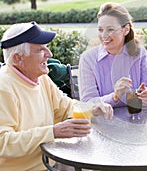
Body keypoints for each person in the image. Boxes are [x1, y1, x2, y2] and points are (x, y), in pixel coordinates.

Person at [0, 22, 113, 171]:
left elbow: (66, 106)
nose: (49, 54)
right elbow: (3, 143)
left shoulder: (41, 78)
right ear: (18, 59)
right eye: (40, 49)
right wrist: (53, 132)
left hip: (50, 162)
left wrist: (92, 108)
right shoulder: (4, 87)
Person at [79, 2, 147, 108]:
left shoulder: (139, 53)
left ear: (126, 29)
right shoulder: (88, 59)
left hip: (138, 120)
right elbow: (87, 103)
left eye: (110, 29)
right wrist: (114, 97)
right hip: (103, 122)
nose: (104, 35)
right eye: (100, 30)